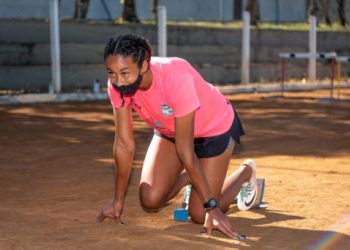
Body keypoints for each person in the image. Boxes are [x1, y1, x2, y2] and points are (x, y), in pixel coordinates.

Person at [96, 34, 259, 240]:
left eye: (125, 73)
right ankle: (192, 177)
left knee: (200, 215)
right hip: (171, 130)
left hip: (213, 128)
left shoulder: (175, 75)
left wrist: (213, 209)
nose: (118, 81)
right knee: (150, 199)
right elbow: (123, 145)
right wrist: (118, 200)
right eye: (111, 73)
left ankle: (246, 172)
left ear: (144, 66)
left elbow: (185, 151)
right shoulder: (117, 87)